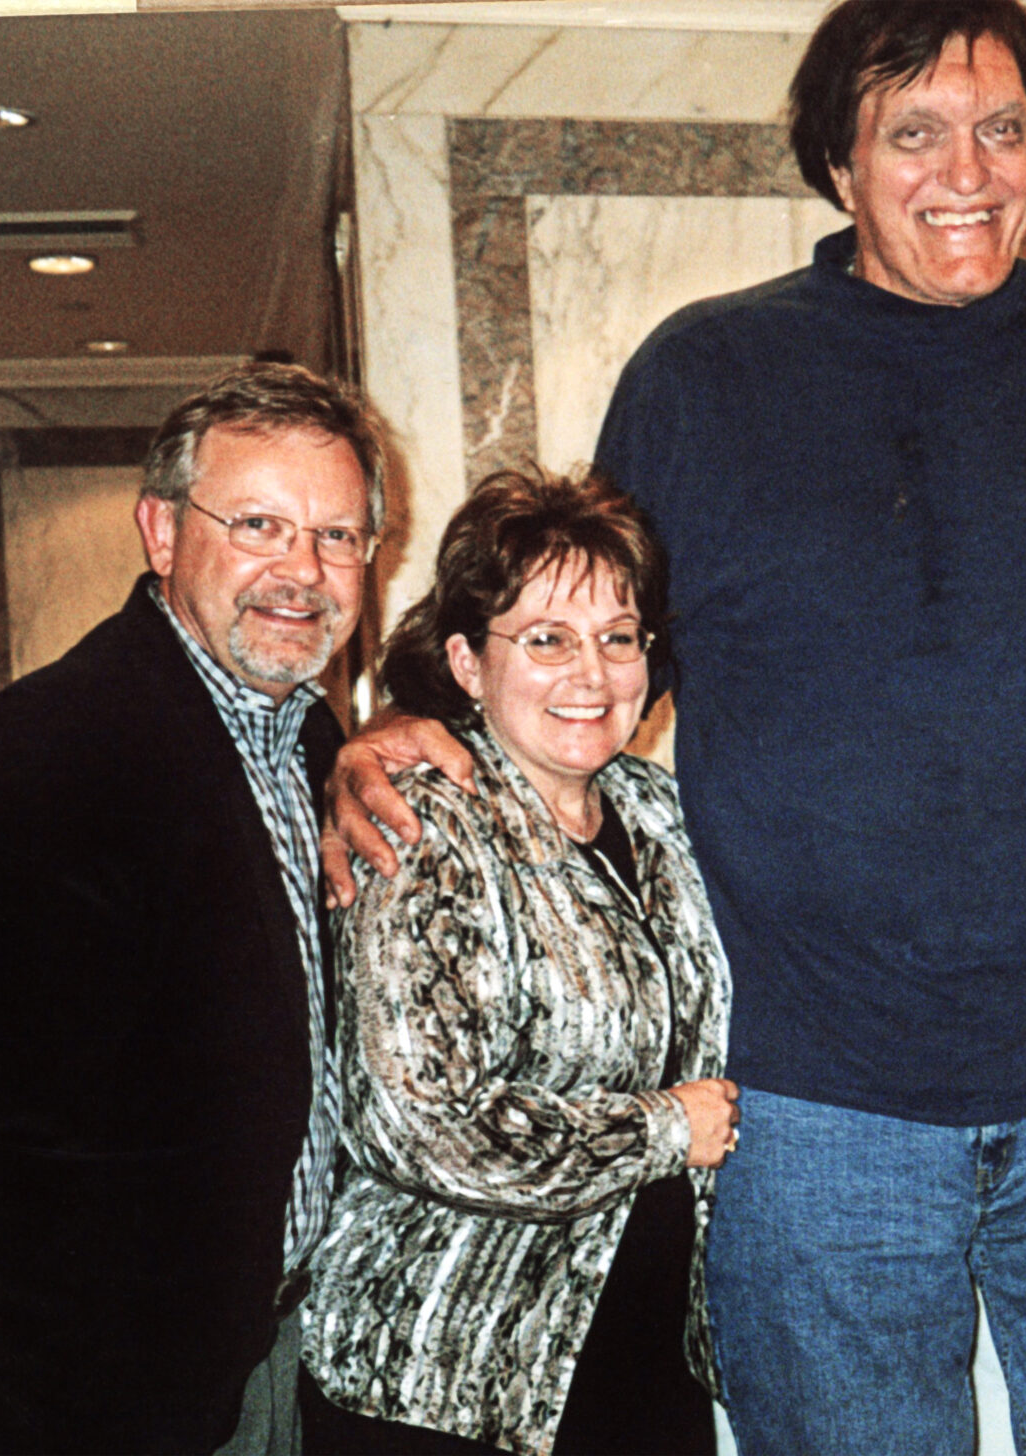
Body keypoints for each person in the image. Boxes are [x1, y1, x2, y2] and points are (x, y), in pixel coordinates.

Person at [322, 2, 1026, 1450]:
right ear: (838, 167)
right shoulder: (707, 377)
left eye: (1003, 130)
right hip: (810, 1105)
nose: (970, 172)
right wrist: (398, 719)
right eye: (915, 133)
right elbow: (569, 630)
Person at [0, 364, 386, 1453]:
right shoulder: (36, 761)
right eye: (258, 524)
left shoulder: (311, 740)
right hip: (111, 1395)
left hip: (278, 1352)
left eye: (337, 536)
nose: (302, 571)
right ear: (161, 530)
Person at [297, 471, 737, 1456]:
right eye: (545, 639)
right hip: (448, 1380)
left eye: (617, 637)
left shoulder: (660, 810)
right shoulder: (422, 824)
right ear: (466, 660)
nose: (591, 674)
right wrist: (665, 1129)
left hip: (638, 1361)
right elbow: (418, 1121)